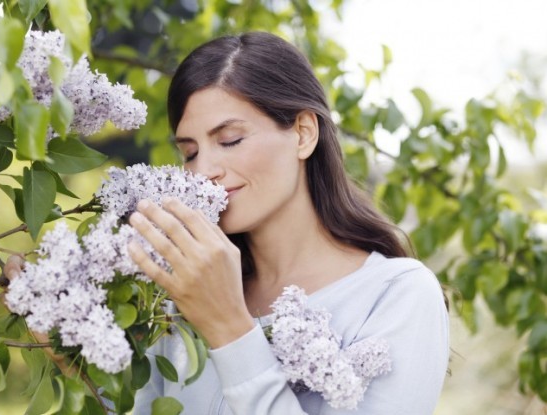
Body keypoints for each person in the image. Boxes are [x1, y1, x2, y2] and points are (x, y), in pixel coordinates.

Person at [125, 32, 449, 414]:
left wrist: (230, 329)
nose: (204, 171)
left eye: (229, 140)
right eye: (191, 153)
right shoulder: (181, 296)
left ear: (303, 133)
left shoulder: (396, 294)